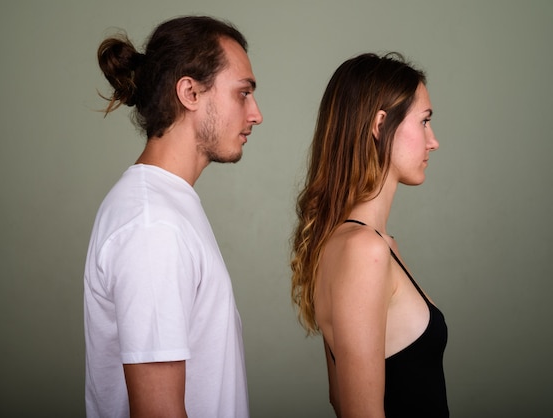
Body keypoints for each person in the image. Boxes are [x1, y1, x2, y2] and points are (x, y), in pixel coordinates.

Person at [83, 16, 263, 418]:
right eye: (243, 93)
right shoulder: (153, 226)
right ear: (190, 92)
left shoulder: (166, 207)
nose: (256, 114)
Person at [290, 53, 448, 417]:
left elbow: (339, 398)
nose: (433, 141)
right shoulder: (365, 250)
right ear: (381, 124)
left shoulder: (358, 243)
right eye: (424, 122)